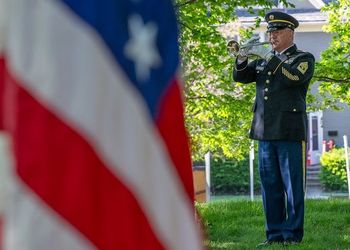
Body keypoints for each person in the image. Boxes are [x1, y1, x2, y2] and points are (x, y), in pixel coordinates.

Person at [233, 11, 315, 247]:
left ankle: (292, 234)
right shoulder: (264, 60)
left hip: (289, 130)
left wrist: (271, 58)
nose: (272, 36)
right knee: (270, 186)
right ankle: (274, 234)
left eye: (277, 32)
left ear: (290, 32)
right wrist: (241, 57)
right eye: (270, 32)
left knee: (293, 186)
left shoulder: (303, 58)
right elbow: (241, 77)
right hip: (265, 130)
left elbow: (293, 78)